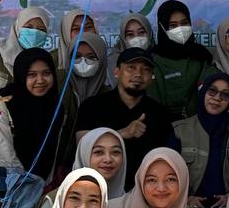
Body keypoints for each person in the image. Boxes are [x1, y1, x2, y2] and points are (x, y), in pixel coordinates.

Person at [0, 48, 77, 208]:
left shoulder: (57, 107)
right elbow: (2, 153)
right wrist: (28, 187)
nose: (40, 80)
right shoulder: (2, 104)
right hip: (9, 193)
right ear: (21, 76)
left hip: (45, 192)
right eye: (31, 75)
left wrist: (44, 188)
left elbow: (55, 152)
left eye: (46, 73)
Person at [75, 48, 177, 191]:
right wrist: (122, 133)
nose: (138, 74)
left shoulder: (160, 113)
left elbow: (169, 158)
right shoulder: (93, 106)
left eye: (145, 70)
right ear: (117, 72)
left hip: (144, 193)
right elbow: (81, 143)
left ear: (151, 77)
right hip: (99, 190)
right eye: (131, 68)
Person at [173, 72, 229, 208]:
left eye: (225, 94)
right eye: (212, 91)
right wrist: (186, 198)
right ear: (203, 93)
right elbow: (169, 172)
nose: (217, 98)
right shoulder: (180, 130)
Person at [147, 0, 213, 120]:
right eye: (173, 25)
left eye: (184, 23)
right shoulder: (154, 61)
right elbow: (154, 106)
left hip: (203, 127)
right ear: (162, 27)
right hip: (168, 130)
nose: (180, 29)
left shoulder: (202, 55)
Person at [39, 127, 129, 208]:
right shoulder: (56, 202)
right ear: (83, 156)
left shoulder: (130, 205)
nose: (108, 159)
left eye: (115, 152)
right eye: (98, 152)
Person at [0, 6, 51, 95]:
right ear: (17, 28)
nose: (34, 33)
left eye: (41, 29)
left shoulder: (44, 63)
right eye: (29, 27)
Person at [57, 30, 111, 107]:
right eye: (77, 56)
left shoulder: (110, 98)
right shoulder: (58, 90)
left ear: (102, 60)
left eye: (91, 57)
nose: (83, 62)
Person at [106, 13, 154, 86]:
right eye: (130, 34)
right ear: (123, 38)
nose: (136, 38)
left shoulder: (159, 57)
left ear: (149, 33)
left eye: (141, 32)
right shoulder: (114, 61)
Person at [56, 9, 99, 73]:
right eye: (76, 29)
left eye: (88, 27)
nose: (83, 32)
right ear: (65, 33)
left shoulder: (104, 57)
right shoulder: (51, 60)